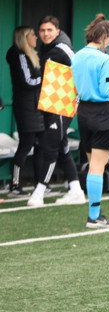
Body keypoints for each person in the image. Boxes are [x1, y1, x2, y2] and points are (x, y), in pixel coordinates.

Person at [71, 14, 109, 228]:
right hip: (102, 112)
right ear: (104, 36)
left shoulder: (77, 56)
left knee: (92, 164)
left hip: (84, 113)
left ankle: (95, 213)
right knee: (98, 166)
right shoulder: (104, 59)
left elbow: (76, 86)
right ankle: (94, 216)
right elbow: (106, 90)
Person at [34, 16, 86, 207]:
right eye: (42, 30)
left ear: (57, 31)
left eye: (49, 30)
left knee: (51, 146)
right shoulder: (46, 49)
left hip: (64, 104)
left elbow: (80, 70)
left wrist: (78, 100)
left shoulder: (63, 47)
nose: (45, 34)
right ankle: (76, 189)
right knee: (62, 147)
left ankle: (39, 192)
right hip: (51, 104)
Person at [5, 26, 44, 198]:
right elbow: (28, 81)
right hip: (25, 107)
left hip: (36, 107)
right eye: (33, 35)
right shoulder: (19, 54)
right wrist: (46, 78)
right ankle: (15, 185)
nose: (37, 37)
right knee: (26, 144)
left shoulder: (31, 54)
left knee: (40, 146)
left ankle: (40, 184)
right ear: (24, 38)